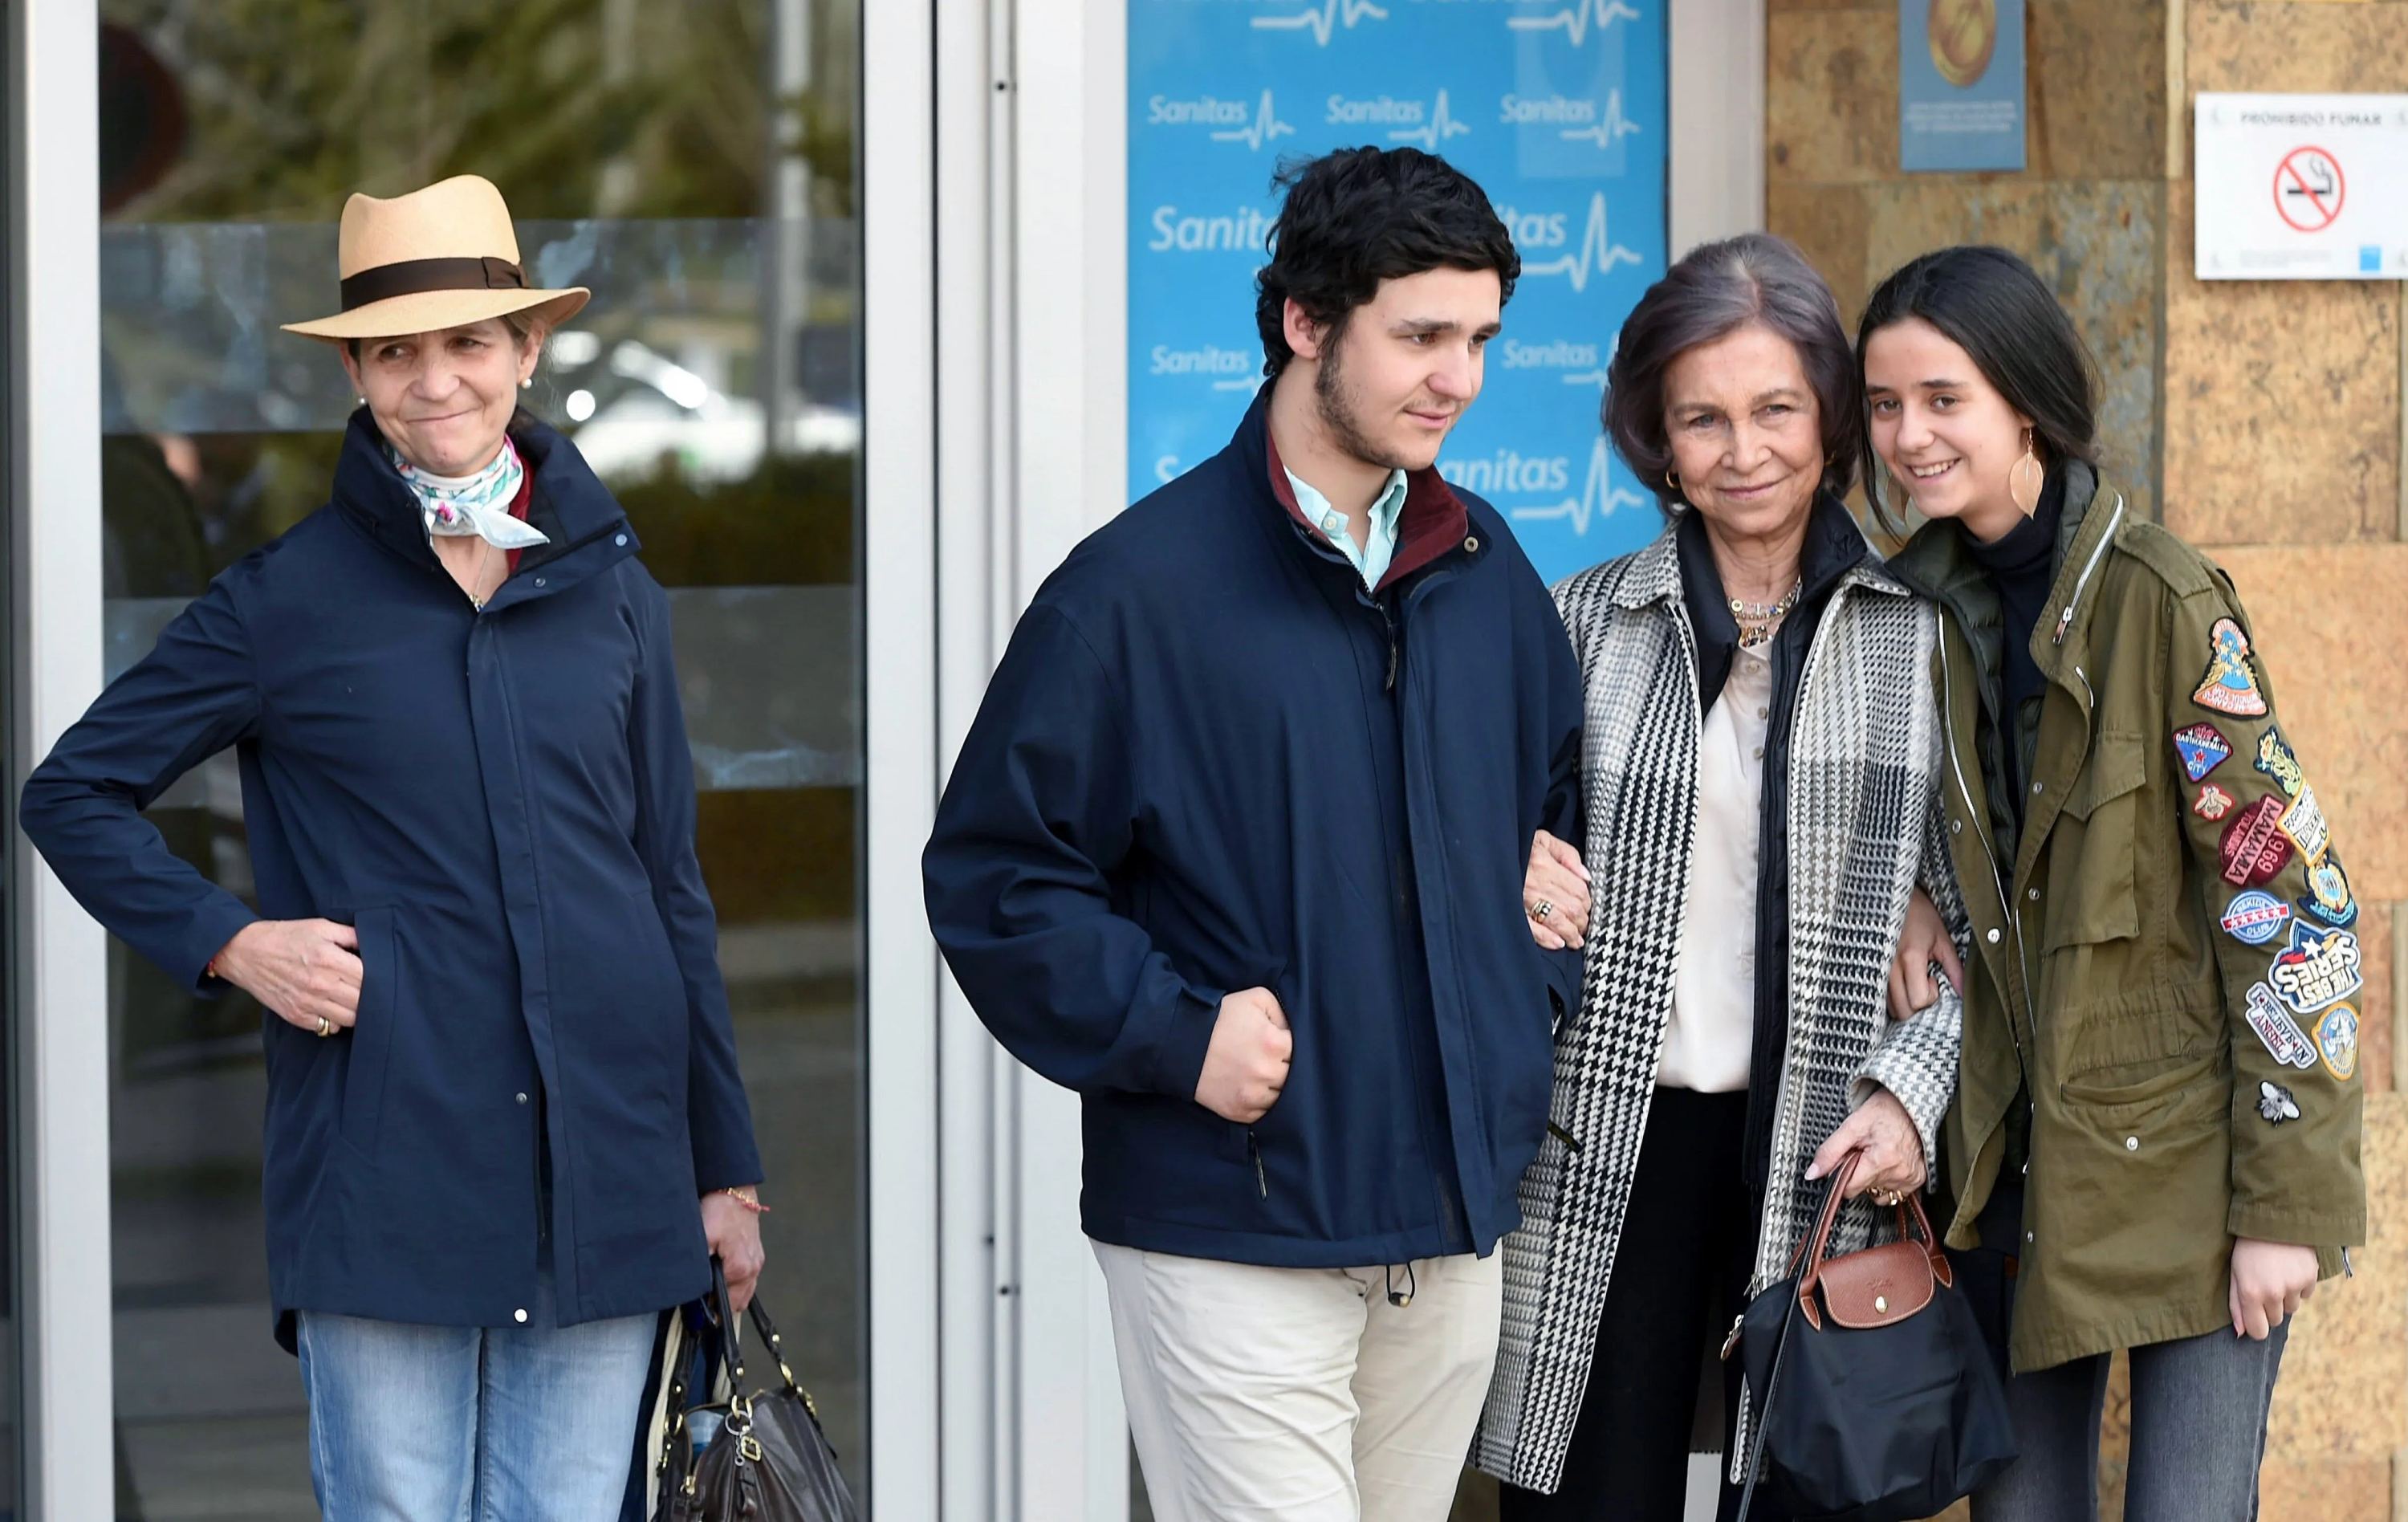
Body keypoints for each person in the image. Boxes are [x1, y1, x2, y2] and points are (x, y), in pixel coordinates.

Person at [18, 175, 766, 1520]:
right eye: (397, 350)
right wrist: (235, 943)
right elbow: (71, 793)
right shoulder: (283, 602)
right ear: (357, 374)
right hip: (388, 1182)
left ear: (525, 353)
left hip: (612, 1176)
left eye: (468, 342)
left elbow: (670, 891)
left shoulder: (615, 595)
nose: (437, 382)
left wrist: (725, 1169)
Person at [922, 146, 1588, 1522]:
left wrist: (1531, 940)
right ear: (1306, 322)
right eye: (1419, 336)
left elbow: (1551, 795)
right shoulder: (1132, 597)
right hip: (1234, 1222)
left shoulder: (1485, 571)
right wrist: (1178, 1035)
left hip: (1450, 1230)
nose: (1455, 378)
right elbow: (999, 876)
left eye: (1477, 339)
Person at [1474, 234, 1967, 1522]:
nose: (1742, 451)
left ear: (1833, 419)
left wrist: (1913, 1099)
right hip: (1604, 1147)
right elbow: (1488, 849)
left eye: (1776, 410)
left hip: (1826, 1148)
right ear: (1655, 435)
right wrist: (1513, 867)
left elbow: (2000, 932)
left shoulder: (1924, 636)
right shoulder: (1580, 621)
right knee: (1587, 1499)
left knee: (1806, 1495)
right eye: (1702, 418)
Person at [1868, 244, 2365, 1522]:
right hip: (2013, 1183)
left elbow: (2292, 907)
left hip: (2194, 1186)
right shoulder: (1907, 613)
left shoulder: (2165, 599)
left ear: (2023, 402)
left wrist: (2289, 1212)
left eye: (1943, 399)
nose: (1910, 436)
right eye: (1884, 405)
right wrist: (1910, 891)